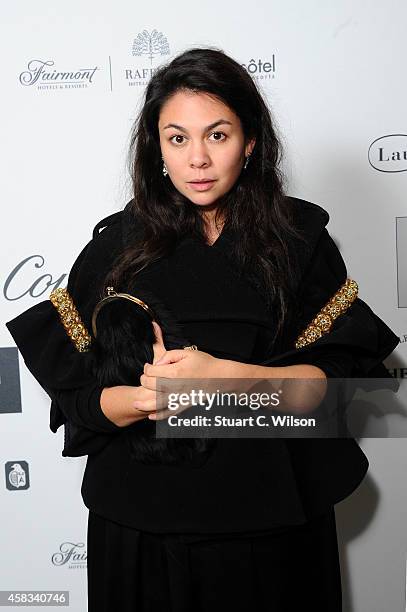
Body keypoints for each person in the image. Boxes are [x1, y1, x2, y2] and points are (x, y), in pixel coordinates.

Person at [6, 47, 399, 611]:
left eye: (217, 135)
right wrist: (141, 401)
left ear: (251, 141)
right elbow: (81, 403)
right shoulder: (115, 246)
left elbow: (332, 396)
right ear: (156, 146)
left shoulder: (299, 242)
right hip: (141, 533)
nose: (198, 159)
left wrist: (222, 378)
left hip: (273, 527)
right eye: (177, 137)